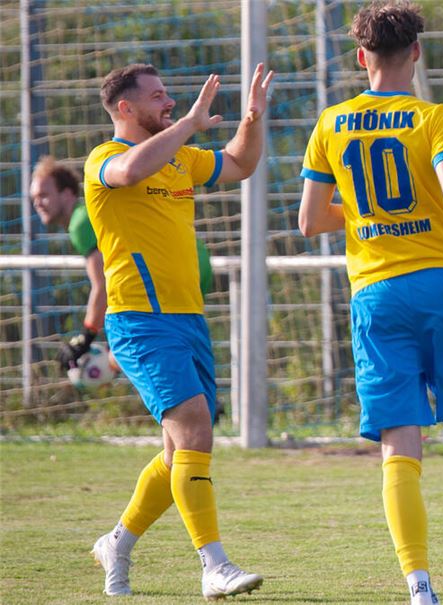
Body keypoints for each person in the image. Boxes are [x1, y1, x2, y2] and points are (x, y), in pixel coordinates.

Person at [297, 2, 443, 604]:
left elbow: (309, 220)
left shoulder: (331, 123)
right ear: (416, 53)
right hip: (441, 286)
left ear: (360, 58)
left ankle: (420, 589)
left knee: (401, 447)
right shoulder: (434, 116)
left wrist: (361, 208)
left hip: (375, 292)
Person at [82, 61, 274, 598]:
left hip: (188, 318)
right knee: (194, 427)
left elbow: (239, 163)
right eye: (158, 96)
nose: (169, 103)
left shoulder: (179, 159)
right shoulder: (106, 157)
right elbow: (127, 174)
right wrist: (188, 123)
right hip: (139, 319)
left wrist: (253, 116)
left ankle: (117, 542)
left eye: (169, 96)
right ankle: (214, 565)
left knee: (177, 453)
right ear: (125, 108)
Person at [30, 157, 215, 377]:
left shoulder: (81, 222)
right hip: (191, 260)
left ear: (67, 193)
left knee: (129, 350)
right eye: (34, 198)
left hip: (172, 268)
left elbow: (103, 286)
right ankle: (205, 400)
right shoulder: (89, 213)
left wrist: (84, 338)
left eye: (44, 195)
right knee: (163, 348)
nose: (37, 203)